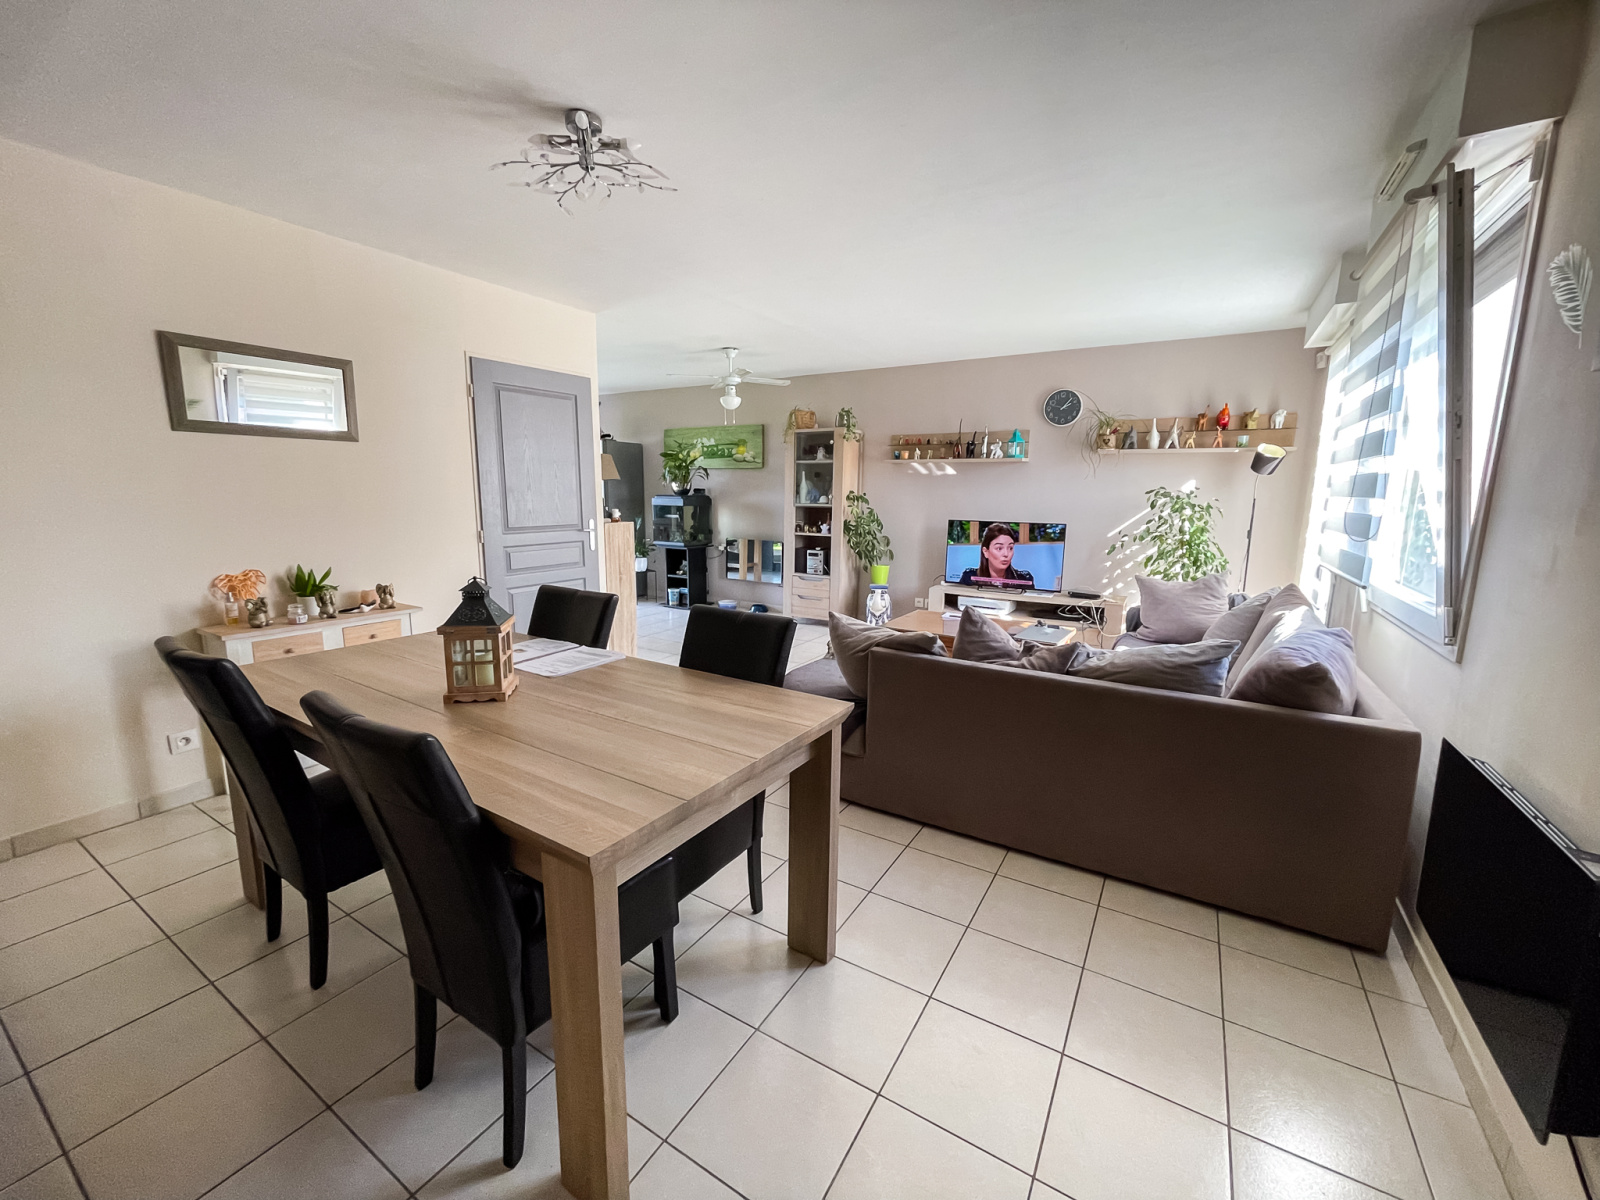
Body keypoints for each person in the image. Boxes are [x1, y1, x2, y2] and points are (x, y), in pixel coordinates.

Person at [959, 523, 1034, 589]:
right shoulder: (970, 578)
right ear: (985, 551)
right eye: (999, 548)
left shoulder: (1024, 579)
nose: (1006, 554)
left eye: (1010, 548)